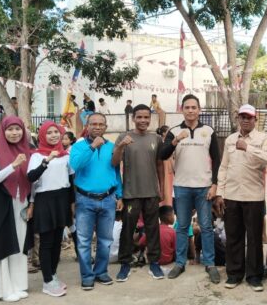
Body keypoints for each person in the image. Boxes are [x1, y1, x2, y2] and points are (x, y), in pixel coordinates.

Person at [213, 104, 267, 292]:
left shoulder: (263, 138)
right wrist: (220, 193)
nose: (246, 120)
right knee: (233, 236)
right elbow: (224, 167)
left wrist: (248, 147)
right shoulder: (230, 139)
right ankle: (234, 274)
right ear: (238, 119)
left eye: (249, 117)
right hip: (231, 195)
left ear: (255, 119)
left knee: (255, 238)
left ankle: (254, 276)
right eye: (243, 117)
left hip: (253, 196)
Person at [160, 94, 221, 283]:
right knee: (182, 226)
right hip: (182, 186)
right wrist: (175, 141)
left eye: (194, 107)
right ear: (182, 110)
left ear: (199, 110)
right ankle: (180, 263)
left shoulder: (209, 131)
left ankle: (210, 264)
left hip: (204, 187)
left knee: (206, 227)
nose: (190, 110)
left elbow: (217, 159)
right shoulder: (174, 131)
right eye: (187, 107)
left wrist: (215, 184)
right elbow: (163, 155)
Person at [69, 113, 123, 290]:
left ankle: (101, 272)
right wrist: (92, 147)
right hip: (85, 199)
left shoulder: (112, 147)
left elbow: (116, 171)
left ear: (105, 127)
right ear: (87, 126)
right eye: (93, 124)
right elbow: (75, 165)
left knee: (105, 240)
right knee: (84, 241)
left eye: (101, 124)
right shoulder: (78, 146)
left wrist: (119, 195)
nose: (97, 127)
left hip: (108, 199)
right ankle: (87, 275)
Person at [113, 104, 165, 282]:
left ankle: (154, 263)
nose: (143, 120)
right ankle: (125, 263)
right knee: (127, 230)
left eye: (146, 117)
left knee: (153, 228)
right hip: (131, 194)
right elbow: (114, 162)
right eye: (139, 117)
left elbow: (159, 165)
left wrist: (161, 187)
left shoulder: (156, 138)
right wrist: (121, 146)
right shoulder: (124, 137)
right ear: (133, 118)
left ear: (150, 118)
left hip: (151, 193)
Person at [0, 116, 32, 302]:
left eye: (17, 129)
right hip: (1, 203)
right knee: (3, 244)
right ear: (3, 131)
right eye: (10, 129)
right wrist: (13, 165)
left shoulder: (26, 149)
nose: (14, 133)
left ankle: (18, 285)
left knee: (19, 244)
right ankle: (4, 289)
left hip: (21, 202)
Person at [27, 121, 72, 297]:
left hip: (62, 199)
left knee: (57, 241)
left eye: (56, 132)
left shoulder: (65, 155)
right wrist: (47, 160)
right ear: (42, 136)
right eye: (49, 133)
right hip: (45, 200)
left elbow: (71, 179)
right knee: (46, 242)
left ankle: (53, 275)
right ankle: (47, 281)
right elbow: (31, 177)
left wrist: (72, 204)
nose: (53, 135)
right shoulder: (37, 156)